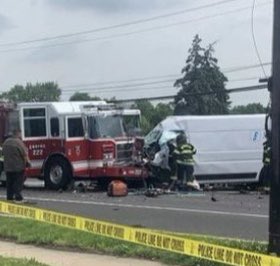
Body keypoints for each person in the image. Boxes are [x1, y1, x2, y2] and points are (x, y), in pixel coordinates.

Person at [2, 129, 30, 202]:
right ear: (18, 134)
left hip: (8, 167)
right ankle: (18, 197)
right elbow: (24, 154)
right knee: (18, 182)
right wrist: (28, 163)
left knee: (9, 183)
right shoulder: (18, 142)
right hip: (18, 167)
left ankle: (9, 197)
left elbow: (2, 154)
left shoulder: (6, 142)